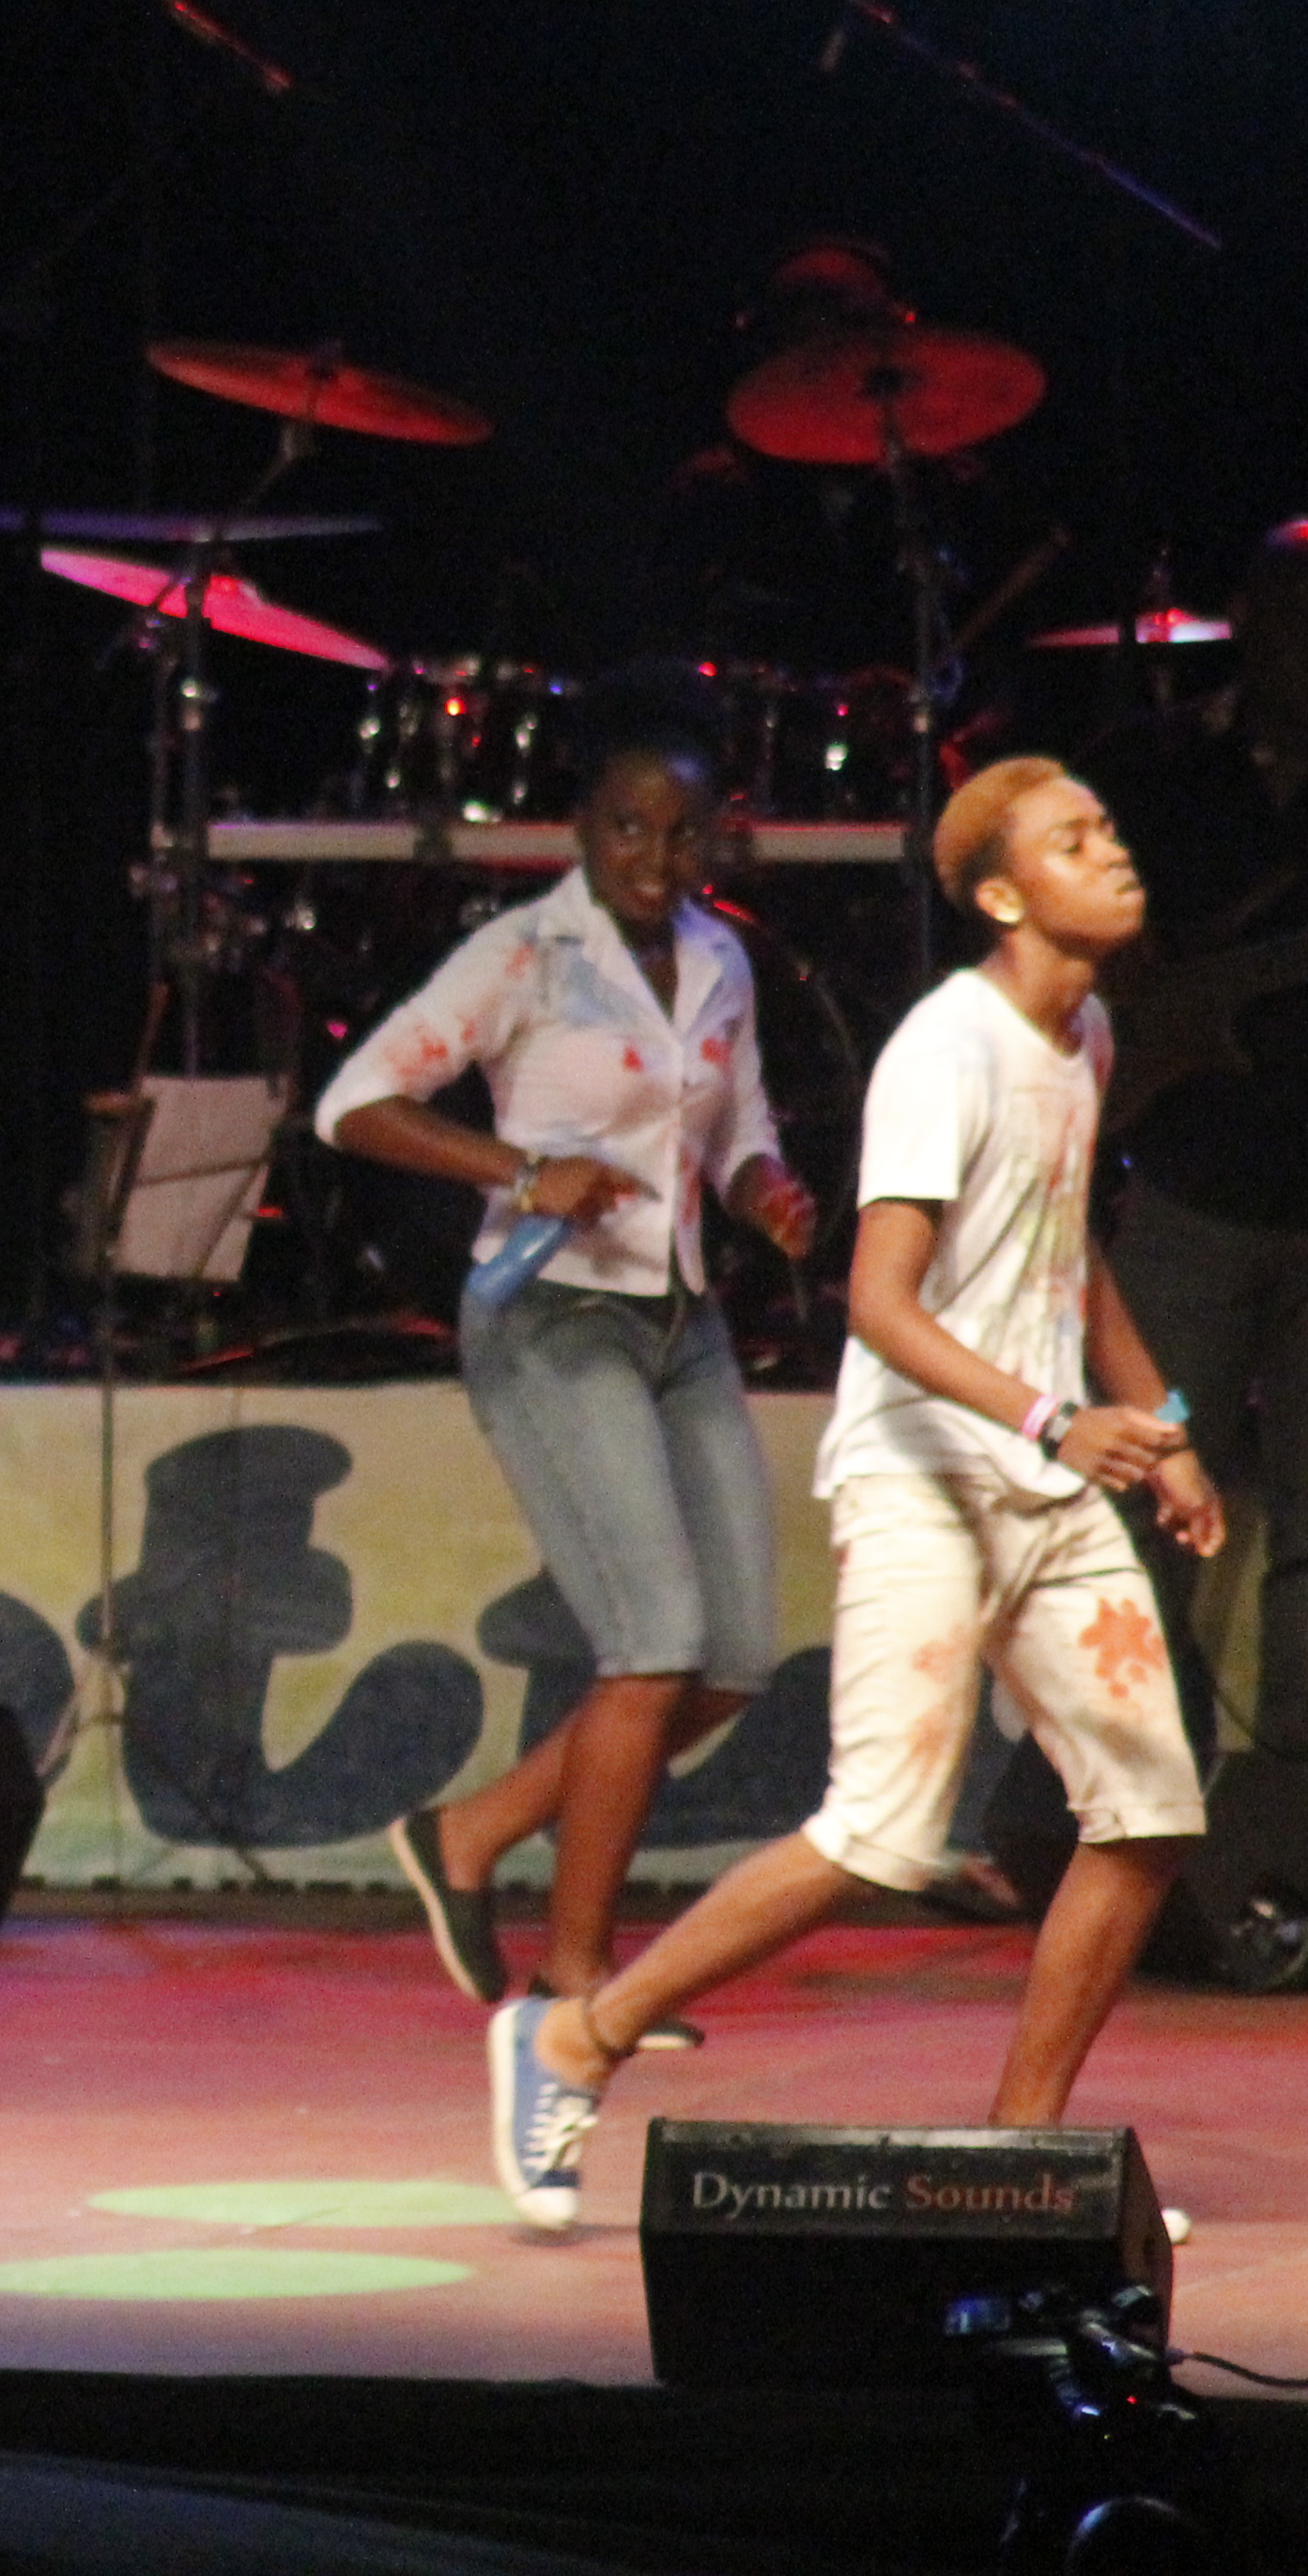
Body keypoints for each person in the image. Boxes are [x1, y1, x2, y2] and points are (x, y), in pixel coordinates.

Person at [485, 757, 1222, 2233]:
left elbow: (1065, 1249)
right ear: (1004, 895)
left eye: (1110, 826)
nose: (1114, 851)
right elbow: (878, 1303)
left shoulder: (1084, 1031)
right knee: (880, 1834)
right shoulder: (947, 1049)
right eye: (1075, 840)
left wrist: (1164, 1424)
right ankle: (576, 2036)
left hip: (1045, 1477)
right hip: (925, 1477)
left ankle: (1019, 2158)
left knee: (1146, 1809)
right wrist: (1052, 1417)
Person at [322, 686, 821, 2030]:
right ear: (582, 832)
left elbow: (738, 1127)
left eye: (684, 834)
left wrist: (764, 1189)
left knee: (730, 1659)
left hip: (680, 1320)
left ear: (716, 838)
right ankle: (577, 1981)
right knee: (650, 1646)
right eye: (627, 830)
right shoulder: (524, 956)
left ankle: (470, 1834)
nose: (656, 859)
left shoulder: (719, 959)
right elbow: (353, 1103)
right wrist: (521, 1170)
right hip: (552, 1320)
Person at [1077, 518, 1308, 1818]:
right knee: (1144, 1522)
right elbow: (1061, 921)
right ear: (1245, 626)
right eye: (1295, 622)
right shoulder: (1148, 771)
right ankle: (1129, 1815)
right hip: (1187, 1193)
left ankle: (1306, 1844)